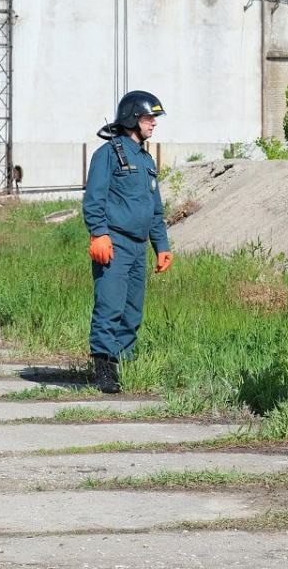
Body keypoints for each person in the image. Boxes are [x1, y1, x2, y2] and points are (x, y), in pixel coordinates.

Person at [83, 90, 173, 393]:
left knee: (132, 310)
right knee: (109, 305)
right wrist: (99, 233)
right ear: (133, 118)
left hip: (137, 247)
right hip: (115, 243)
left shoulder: (146, 160)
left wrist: (161, 246)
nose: (154, 124)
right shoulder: (108, 154)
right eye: (150, 117)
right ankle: (104, 368)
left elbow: (154, 209)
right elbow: (94, 199)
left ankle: (125, 363)